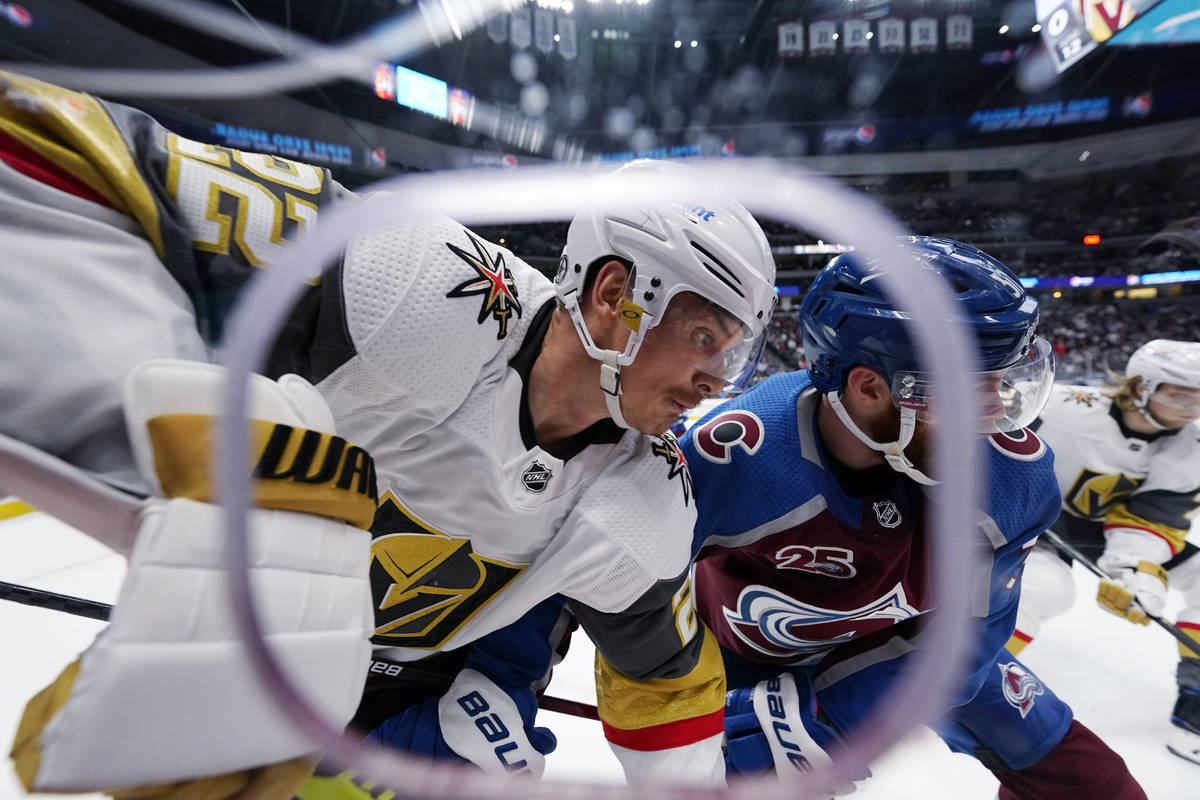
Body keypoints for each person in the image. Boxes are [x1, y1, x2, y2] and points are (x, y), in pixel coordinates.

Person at [0, 70, 777, 797]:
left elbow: (669, 693)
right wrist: (128, 432)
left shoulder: (648, 502)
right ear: (618, 294)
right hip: (243, 676)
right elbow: (50, 148)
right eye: (707, 338)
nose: (719, 380)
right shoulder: (420, 287)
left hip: (404, 716)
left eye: (735, 351)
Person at [678, 237, 1147, 799]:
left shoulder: (1016, 479)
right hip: (748, 663)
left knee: (1095, 785)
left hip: (912, 651)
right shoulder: (735, 457)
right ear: (869, 387)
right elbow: (612, 578)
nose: (997, 416)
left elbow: (964, 642)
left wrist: (833, 716)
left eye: (1001, 383)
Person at [1003, 339, 1200, 765]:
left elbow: (1154, 514)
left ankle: (1196, 695)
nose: (1191, 408)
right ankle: (967, 677)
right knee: (1045, 589)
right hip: (1032, 515)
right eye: (1180, 394)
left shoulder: (1192, 444)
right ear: (1142, 386)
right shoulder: (1061, 404)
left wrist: (1135, 571)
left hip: (1108, 528)